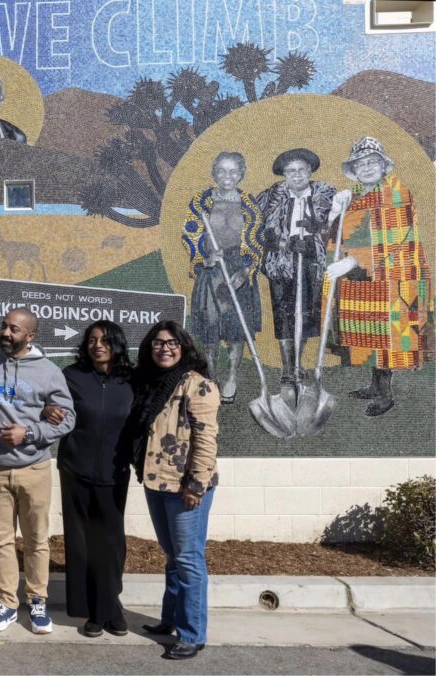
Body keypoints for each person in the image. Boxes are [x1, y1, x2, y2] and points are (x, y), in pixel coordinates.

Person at [0, 308, 75, 634]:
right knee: (0, 541)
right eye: (4, 326)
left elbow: (68, 419)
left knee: (36, 540)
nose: (6, 333)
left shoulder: (49, 371)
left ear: (30, 336)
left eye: (14, 329)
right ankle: (7, 602)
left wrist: (29, 432)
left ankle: (38, 601)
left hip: (34, 467)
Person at [131, 320, 220, 660]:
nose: (164, 348)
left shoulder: (198, 387)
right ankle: (169, 619)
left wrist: (196, 485)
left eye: (171, 343)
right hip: (157, 481)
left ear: (183, 348)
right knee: (173, 557)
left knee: (188, 559)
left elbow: (205, 440)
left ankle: (192, 634)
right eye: (157, 342)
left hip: (186, 488)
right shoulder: (152, 385)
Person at [332, 136, 432, 416]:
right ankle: (375, 384)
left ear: (383, 165)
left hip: (395, 276)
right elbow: (344, 235)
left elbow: (395, 238)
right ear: (354, 169)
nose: (366, 168)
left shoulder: (396, 192)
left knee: (388, 333)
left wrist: (353, 259)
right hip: (366, 277)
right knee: (371, 333)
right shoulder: (355, 195)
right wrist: (335, 211)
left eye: (372, 162)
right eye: (360, 164)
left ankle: (385, 394)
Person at [55, 320, 134, 638]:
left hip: (114, 473)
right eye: (91, 339)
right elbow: (54, 405)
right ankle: (94, 613)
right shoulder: (72, 376)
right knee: (82, 543)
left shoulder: (132, 379)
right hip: (75, 469)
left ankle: (110, 606)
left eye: (104, 339)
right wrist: (50, 411)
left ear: (116, 344)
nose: (97, 344)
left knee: (112, 543)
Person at [181, 151, 264, 403]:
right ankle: (212, 377)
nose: (227, 176)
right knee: (210, 326)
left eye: (233, 172)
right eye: (222, 171)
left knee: (237, 327)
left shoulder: (249, 205)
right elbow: (190, 233)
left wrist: (245, 269)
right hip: (211, 270)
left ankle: (231, 378)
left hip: (238, 269)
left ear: (241, 174)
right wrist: (204, 257)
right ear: (214, 173)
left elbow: (257, 241)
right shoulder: (201, 201)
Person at [255, 148, 339, 398]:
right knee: (284, 314)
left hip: (313, 262)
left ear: (310, 171)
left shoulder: (326, 195)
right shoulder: (270, 196)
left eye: (302, 170)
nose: (297, 175)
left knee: (306, 314)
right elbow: (254, 228)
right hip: (280, 263)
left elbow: (339, 227)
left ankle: (298, 363)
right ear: (284, 175)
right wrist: (282, 244)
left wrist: (318, 234)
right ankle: (287, 368)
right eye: (291, 171)